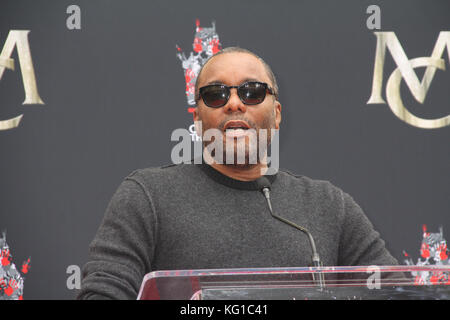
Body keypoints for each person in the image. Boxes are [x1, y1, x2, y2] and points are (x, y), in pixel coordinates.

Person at [77, 47, 398, 300]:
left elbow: (395, 291)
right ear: (198, 119)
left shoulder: (329, 205)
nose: (234, 103)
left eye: (252, 92)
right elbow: (104, 292)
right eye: (215, 94)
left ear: (276, 114)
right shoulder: (147, 195)